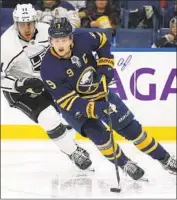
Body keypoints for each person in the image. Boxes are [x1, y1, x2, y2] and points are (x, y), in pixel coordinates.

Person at [40, 18, 176, 181]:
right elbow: (68, 101)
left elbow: (104, 40)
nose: (60, 45)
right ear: (50, 41)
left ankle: (166, 159)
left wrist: (105, 66)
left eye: (63, 40)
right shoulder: (48, 68)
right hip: (76, 108)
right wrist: (95, 109)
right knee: (101, 138)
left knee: (134, 131)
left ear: (71, 38)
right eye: (56, 41)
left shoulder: (83, 38)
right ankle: (125, 164)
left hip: (101, 92)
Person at [1, 4, 92, 171]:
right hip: (20, 90)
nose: (27, 28)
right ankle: (73, 152)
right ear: (15, 23)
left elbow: (67, 46)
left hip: (47, 81)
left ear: (36, 20)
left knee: (74, 109)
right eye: (22, 24)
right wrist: (21, 84)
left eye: (30, 22)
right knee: (48, 117)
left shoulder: (47, 31)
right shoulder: (6, 45)